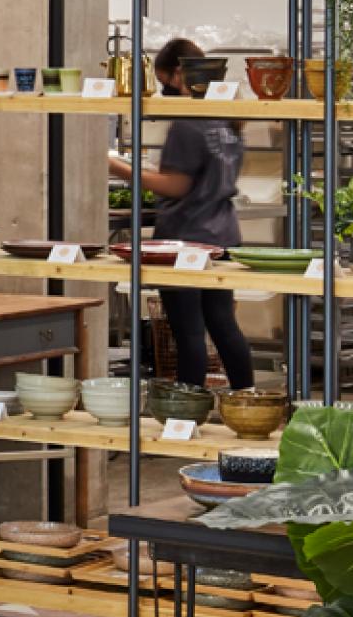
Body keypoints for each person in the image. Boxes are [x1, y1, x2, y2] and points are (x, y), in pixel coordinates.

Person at [108, 35, 254, 391]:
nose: (161, 90)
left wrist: (119, 167)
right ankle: (248, 401)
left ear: (177, 75)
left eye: (161, 82)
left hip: (186, 239)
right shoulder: (226, 121)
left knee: (187, 332)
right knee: (222, 324)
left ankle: (187, 414)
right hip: (222, 234)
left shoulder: (187, 124)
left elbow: (176, 185)